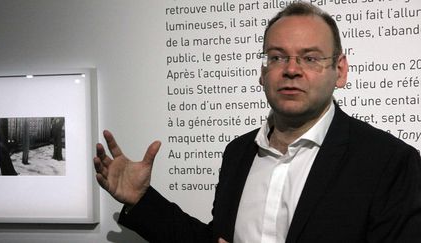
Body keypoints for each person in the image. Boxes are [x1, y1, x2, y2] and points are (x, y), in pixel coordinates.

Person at [94, 2, 421, 243]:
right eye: (277, 57)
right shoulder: (238, 152)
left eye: (309, 57)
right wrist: (142, 200)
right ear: (263, 73)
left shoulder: (390, 162)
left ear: (341, 71)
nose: (291, 69)